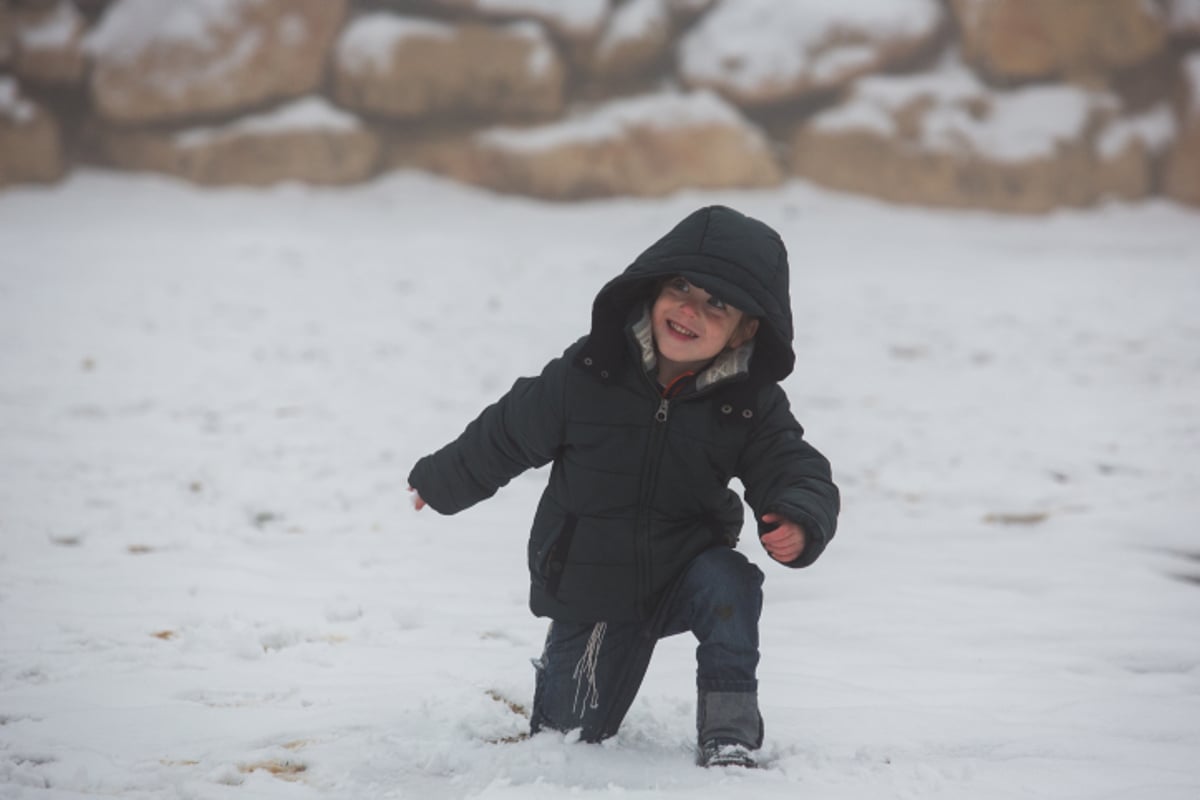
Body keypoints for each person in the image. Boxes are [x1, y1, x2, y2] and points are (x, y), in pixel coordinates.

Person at [408, 205, 840, 768]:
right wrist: (442, 482)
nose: (690, 309)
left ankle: (729, 734)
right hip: (593, 585)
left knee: (730, 582)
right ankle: (570, 698)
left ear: (747, 327)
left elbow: (790, 463)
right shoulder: (588, 375)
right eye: (681, 286)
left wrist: (799, 516)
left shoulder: (746, 402)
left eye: (718, 303)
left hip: (685, 570)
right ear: (652, 287)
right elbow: (509, 431)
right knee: (565, 740)